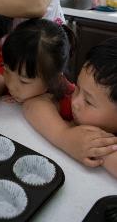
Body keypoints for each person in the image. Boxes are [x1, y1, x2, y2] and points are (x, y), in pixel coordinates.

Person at [22, 37, 117, 178]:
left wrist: (98, 149)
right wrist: (64, 136)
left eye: (89, 102)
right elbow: (32, 104)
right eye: (78, 88)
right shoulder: (75, 104)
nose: (75, 101)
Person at [2, 18, 75, 104]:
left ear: (53, 80)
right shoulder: (19, 84)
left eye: (23, 81)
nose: (10, 85)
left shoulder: (72, 103)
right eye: (6, 71)